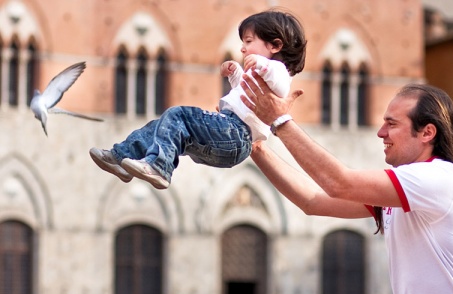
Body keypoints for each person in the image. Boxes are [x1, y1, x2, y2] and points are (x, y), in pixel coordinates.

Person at [240, 72, 453, 294]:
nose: (380, 132)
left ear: (427, 133)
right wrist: (255, 146)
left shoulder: (438, 177)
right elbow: (312, 201)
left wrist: (280, 119)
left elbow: (339, 183)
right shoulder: (408, 189)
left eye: (392, 124)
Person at [89, 9, 307, 189]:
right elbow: (245, 93)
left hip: (235, 134)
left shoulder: (278, 70)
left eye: (249, 41)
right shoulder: (260, 74)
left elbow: (280, 85)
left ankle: (160, 167)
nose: (243, 47)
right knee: (161, 126)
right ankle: (121, 157)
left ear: (275, 46)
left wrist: (263, 65)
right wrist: (235, 74)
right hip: (228, 138)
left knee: (178, 114)